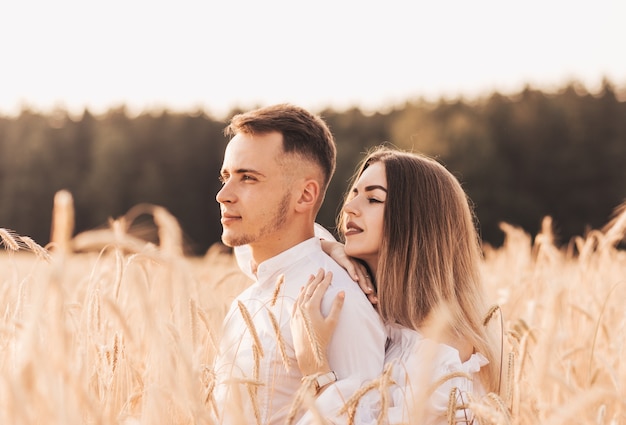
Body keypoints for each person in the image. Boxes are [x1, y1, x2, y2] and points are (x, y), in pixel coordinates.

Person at [290, 146, 502, 424]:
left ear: (418, 221)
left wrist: (317, 372)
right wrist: (327, 246)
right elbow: (260, 253)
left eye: (373, 199)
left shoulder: (442, 360)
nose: (349, 208)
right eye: (353, 194)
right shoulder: (385, 316)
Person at [212, 104, 387, 424]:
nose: (224, 194)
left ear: (305, 196)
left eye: (248, 178)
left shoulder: (336, 301)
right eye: (226, 176)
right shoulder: (245, 303)